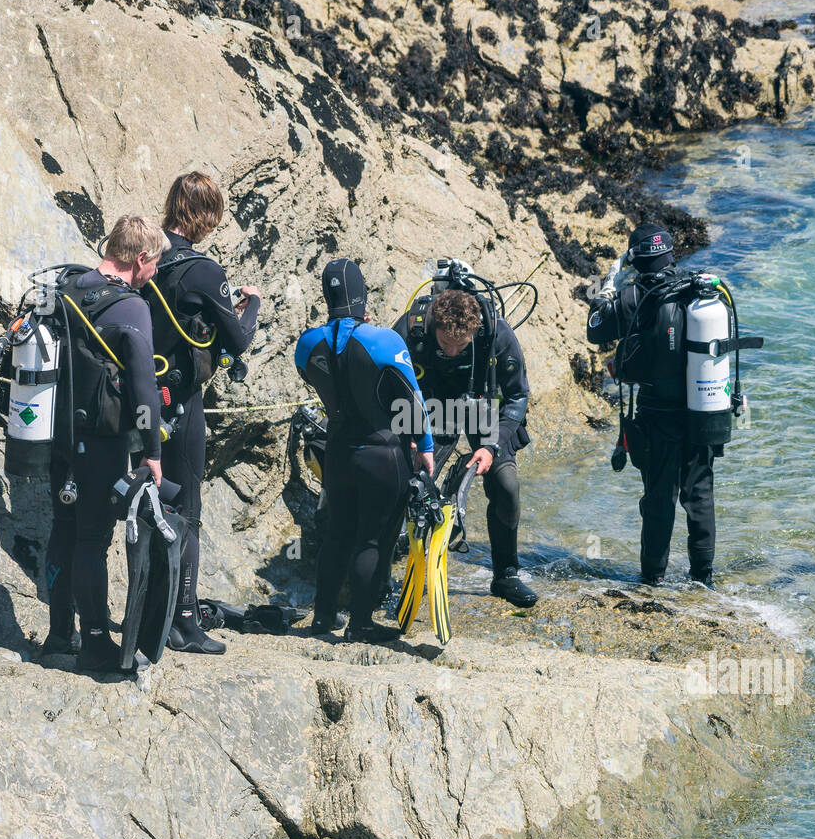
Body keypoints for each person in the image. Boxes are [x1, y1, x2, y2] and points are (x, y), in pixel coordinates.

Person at [143, 172, 262, 655]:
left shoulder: (144, 254)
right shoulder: (204, 270)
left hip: (138, 398)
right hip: (182, 402)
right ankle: (184, 622)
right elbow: (238, 341)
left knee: (151, 507)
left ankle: (156, 612)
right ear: (208, 215)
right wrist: (250, 305)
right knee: (186, 511)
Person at [43, 215, 168, 671]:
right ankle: (95, 642)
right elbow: (142, 388)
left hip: (56, 436)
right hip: (99, 442)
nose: (155, 271)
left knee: (63, 528)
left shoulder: (69, 286)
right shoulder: (132, 308)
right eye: (154, 263)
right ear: (139, 259)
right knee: (92, 541)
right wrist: (150, 452)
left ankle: (60, 634)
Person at [294, 259, 434, 642]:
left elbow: (317, 372)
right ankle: (361, 623)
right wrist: (425, 447)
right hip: (383, 453)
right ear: (362, 294)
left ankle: (322, 617)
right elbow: (411, 401)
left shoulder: (306, 344)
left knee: (337, 533)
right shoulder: (384, 340)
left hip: (337, 451)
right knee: (373, 538)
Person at [391, 281, 537, 607]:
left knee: (507, 485)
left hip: (481, 407)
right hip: (428, 412)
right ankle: (382, 571)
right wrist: (412, 440)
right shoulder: (409, 330)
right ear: (434, 327)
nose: (454, 350)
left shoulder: (496, 333)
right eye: (446, 342)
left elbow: (517, 397)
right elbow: (386, 389)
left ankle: (506, 575)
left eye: (462, 344)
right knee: (406, 483)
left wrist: (492, 446)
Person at [585, 223, 715, 586]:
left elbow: (595, 330)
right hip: (703, 409)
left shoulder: (633, 295)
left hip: (657, 413)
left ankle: (652, 578)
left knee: (659, 498)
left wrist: (607, 287)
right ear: (670, 254)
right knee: (699, 494)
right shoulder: (697, 289)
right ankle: (704, 579)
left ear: (635, 259)